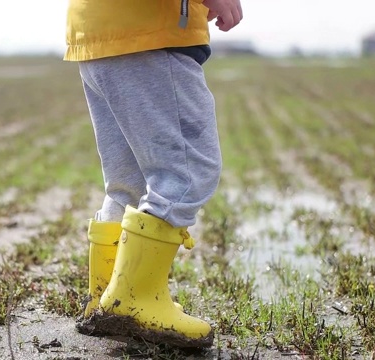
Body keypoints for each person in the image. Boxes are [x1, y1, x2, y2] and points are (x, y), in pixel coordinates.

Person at [65, 0, 243, 348]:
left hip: (100, 32)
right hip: (147, 34)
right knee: (187, 172)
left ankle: (107, 300)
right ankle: (134, 301)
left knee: (127, 184)